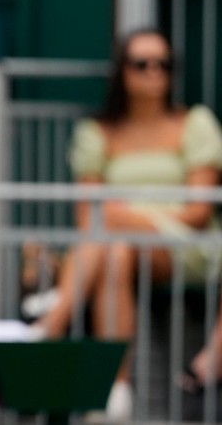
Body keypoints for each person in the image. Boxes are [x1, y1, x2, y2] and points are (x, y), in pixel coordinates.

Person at [34, 28, 222, 420]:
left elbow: (198, 213)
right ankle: (117, 389)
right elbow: (88, 217)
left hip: (188, 246)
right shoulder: (97, 133)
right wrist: (122, 222)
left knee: (111, 223)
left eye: (163, 64)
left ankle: (48, 326)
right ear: (121, 71)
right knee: (115, 247)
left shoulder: (195, 123)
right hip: (115, 248)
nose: (153, 72)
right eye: (141, 64)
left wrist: (129, 216)